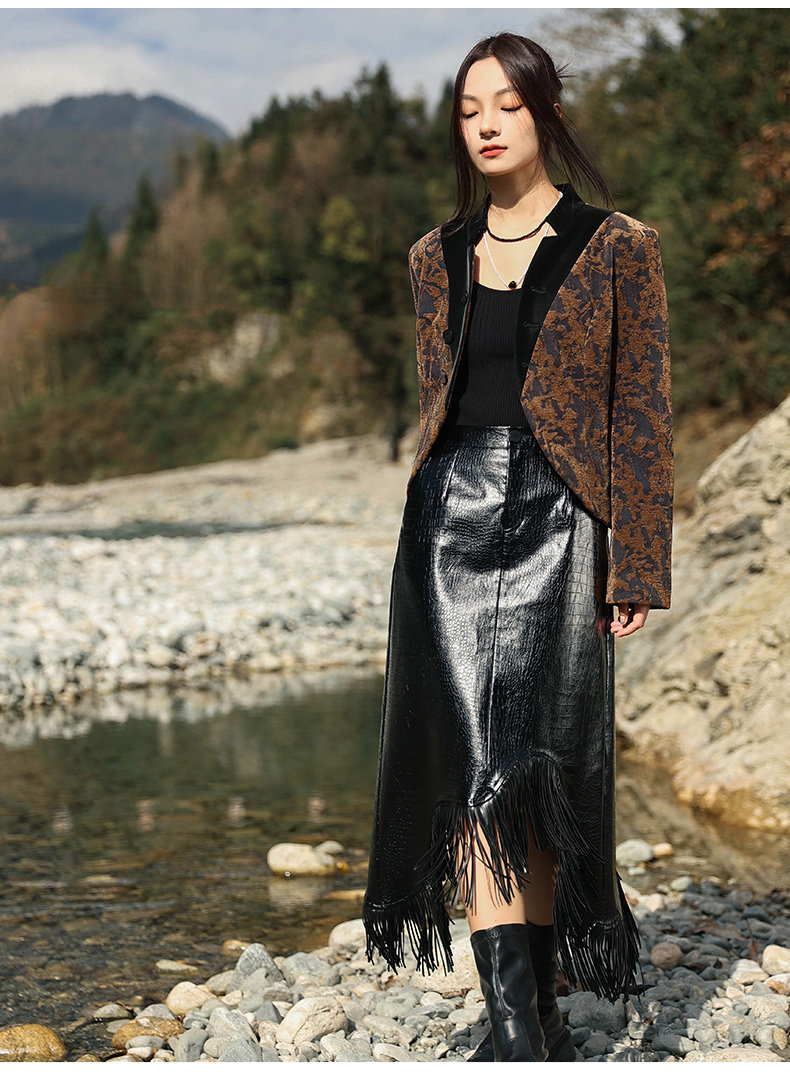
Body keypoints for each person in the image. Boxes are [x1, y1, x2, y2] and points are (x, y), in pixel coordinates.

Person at [362, 32, 673, 1063]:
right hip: (448, 524)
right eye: (469, 109)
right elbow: (437, 401)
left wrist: (638, 560)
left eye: (507, 104)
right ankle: (517, 1031)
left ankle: (533, 1018)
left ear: (545, 114)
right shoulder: (434, 254)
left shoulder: (616, 245)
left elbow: (641, 412)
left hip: (562, 518)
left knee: (536, 774)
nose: (487, 124)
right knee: (475, 769)